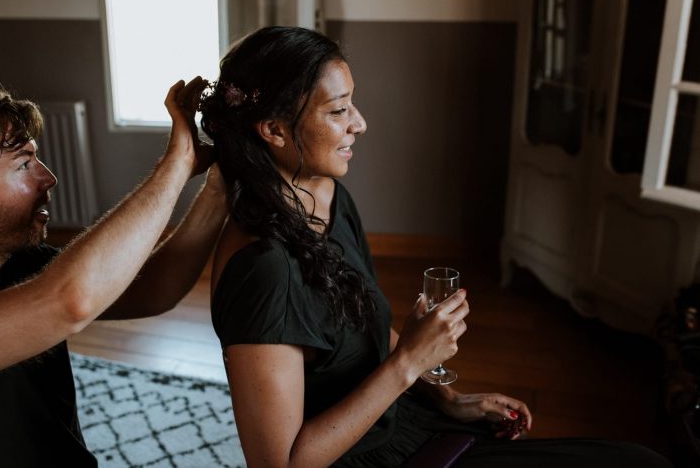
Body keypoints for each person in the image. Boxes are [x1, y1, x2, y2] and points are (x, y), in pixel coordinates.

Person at [199, 26, 672, 468]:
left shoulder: (327, 197)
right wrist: (409, 363)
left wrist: (447, 397)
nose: (359, 124)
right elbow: (282, 462)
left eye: (353, 104)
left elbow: (362, 325)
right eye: (339, 109)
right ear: (275, 130)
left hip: (406, 419)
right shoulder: (263, 269)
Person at [0, 80, 226, 466]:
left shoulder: (23, 264)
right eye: (24, 164)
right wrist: (177, 163)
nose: (48, 178)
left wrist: (218, 191)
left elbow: (154, 289)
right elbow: (70, 301)